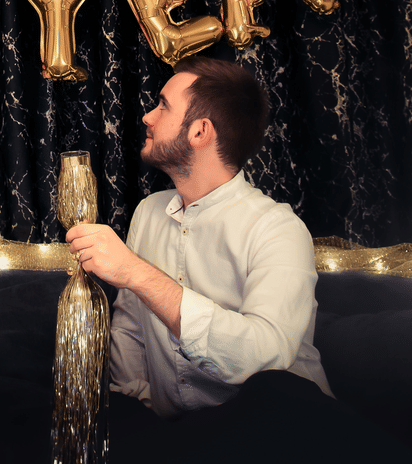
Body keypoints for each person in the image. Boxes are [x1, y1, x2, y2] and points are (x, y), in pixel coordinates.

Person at [66, 56, 410, 461]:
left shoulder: (277, 229)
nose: (147, 116)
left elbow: (266, 357)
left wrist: (136, 273)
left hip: (283, 426)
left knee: (275, 393)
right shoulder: (148, 213)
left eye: (162, 105)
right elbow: (129, 330)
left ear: (199, 131)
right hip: (183, 435)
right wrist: (141, 404)